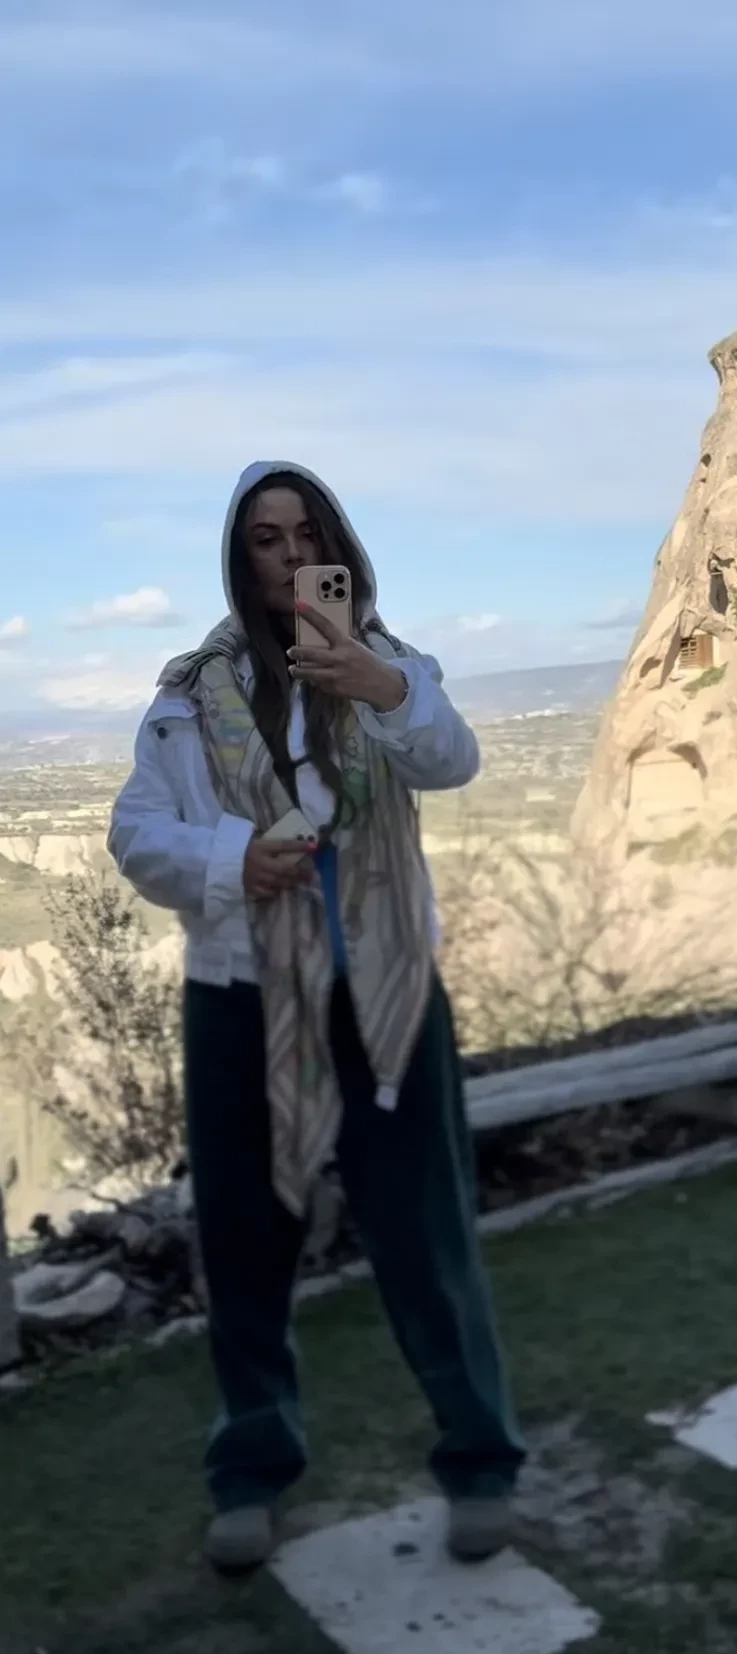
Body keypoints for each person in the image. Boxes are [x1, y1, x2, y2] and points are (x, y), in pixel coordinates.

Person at [108, 460, 526, 1573]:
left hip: (387, 996)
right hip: (242, 1002)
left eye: (307, 534)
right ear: (239, 559)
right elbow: (136, 836)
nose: (291, 555)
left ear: (335, 545)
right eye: (266, 538)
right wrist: (230, 860)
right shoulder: (188, 698)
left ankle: (480, 1457)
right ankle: (250, 1471)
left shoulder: (394, 667)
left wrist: (378, 687)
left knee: (425, 1233)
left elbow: (453, 760)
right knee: (244, 1242)